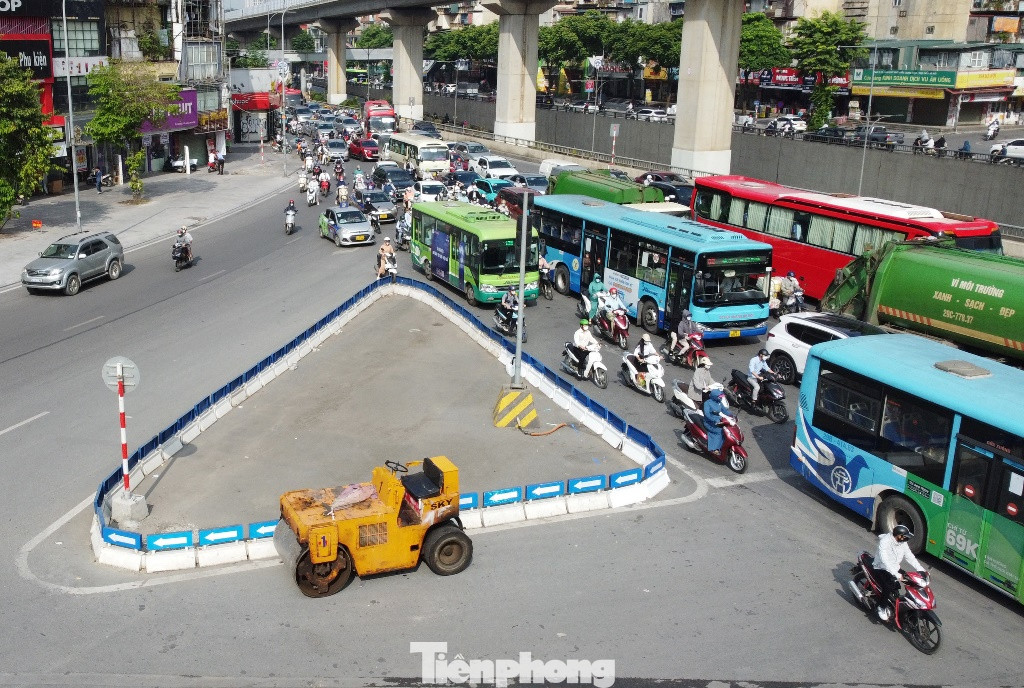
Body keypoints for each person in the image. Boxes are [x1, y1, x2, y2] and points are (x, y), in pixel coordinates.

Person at [872, 524, 925, 620]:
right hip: (881, 568)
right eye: (905, 537)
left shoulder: (902, 542)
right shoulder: (885, 542)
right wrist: (896, 574)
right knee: (888, 586)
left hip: (895, 567)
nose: (906, 539)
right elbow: (885, 561)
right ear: (899, 536)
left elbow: (909, 556)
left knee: (912, 581)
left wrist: (920, 569)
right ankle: (882, 607)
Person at [702, 388, 732, 456]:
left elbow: (725, 410)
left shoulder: (718, 402)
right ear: (714, 396)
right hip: (709, 422)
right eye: (719, 397)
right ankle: (714, 449)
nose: (721, 398)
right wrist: (714, 419)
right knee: (719, 431)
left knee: (728, 430)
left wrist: (732, 415)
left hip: (718, 420)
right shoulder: (707, 403)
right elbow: (707, 415)